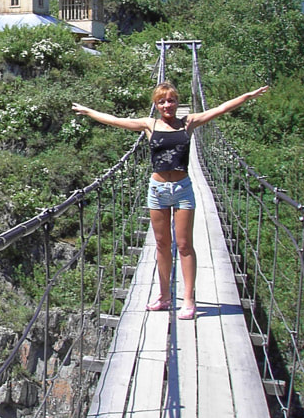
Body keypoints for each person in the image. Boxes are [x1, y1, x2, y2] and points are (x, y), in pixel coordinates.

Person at [71, 81, 269, 320]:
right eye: (162, 101)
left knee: (184, 245)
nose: (167, 105)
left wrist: (247, 94)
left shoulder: (189, 122)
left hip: (183, 189)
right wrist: (89, 111)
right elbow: (114, 120)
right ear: (156, 105)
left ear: (177, 102)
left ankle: (188, 299)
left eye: (171, 100)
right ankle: (165, 297)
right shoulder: (149, 125)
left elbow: (220, 109)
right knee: (162, 245)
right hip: (157, 190)